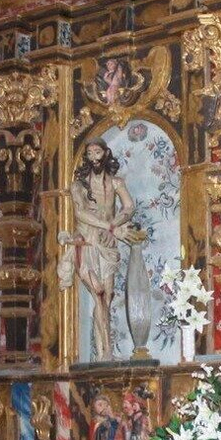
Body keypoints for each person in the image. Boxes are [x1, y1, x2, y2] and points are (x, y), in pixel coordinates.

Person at [58, 139, 137, 361]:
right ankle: (108, 352)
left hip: (107, 245)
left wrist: (115, 224)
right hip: (86, 242)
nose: (94, 157)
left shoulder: (116, 183)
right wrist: (109, 227)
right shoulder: (78, 186)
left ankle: (101, 353)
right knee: (99, 293)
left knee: (107, 297)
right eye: (90, 153)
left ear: (106, 153)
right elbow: (80, 213)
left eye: (98, 152)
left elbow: (129, 207)